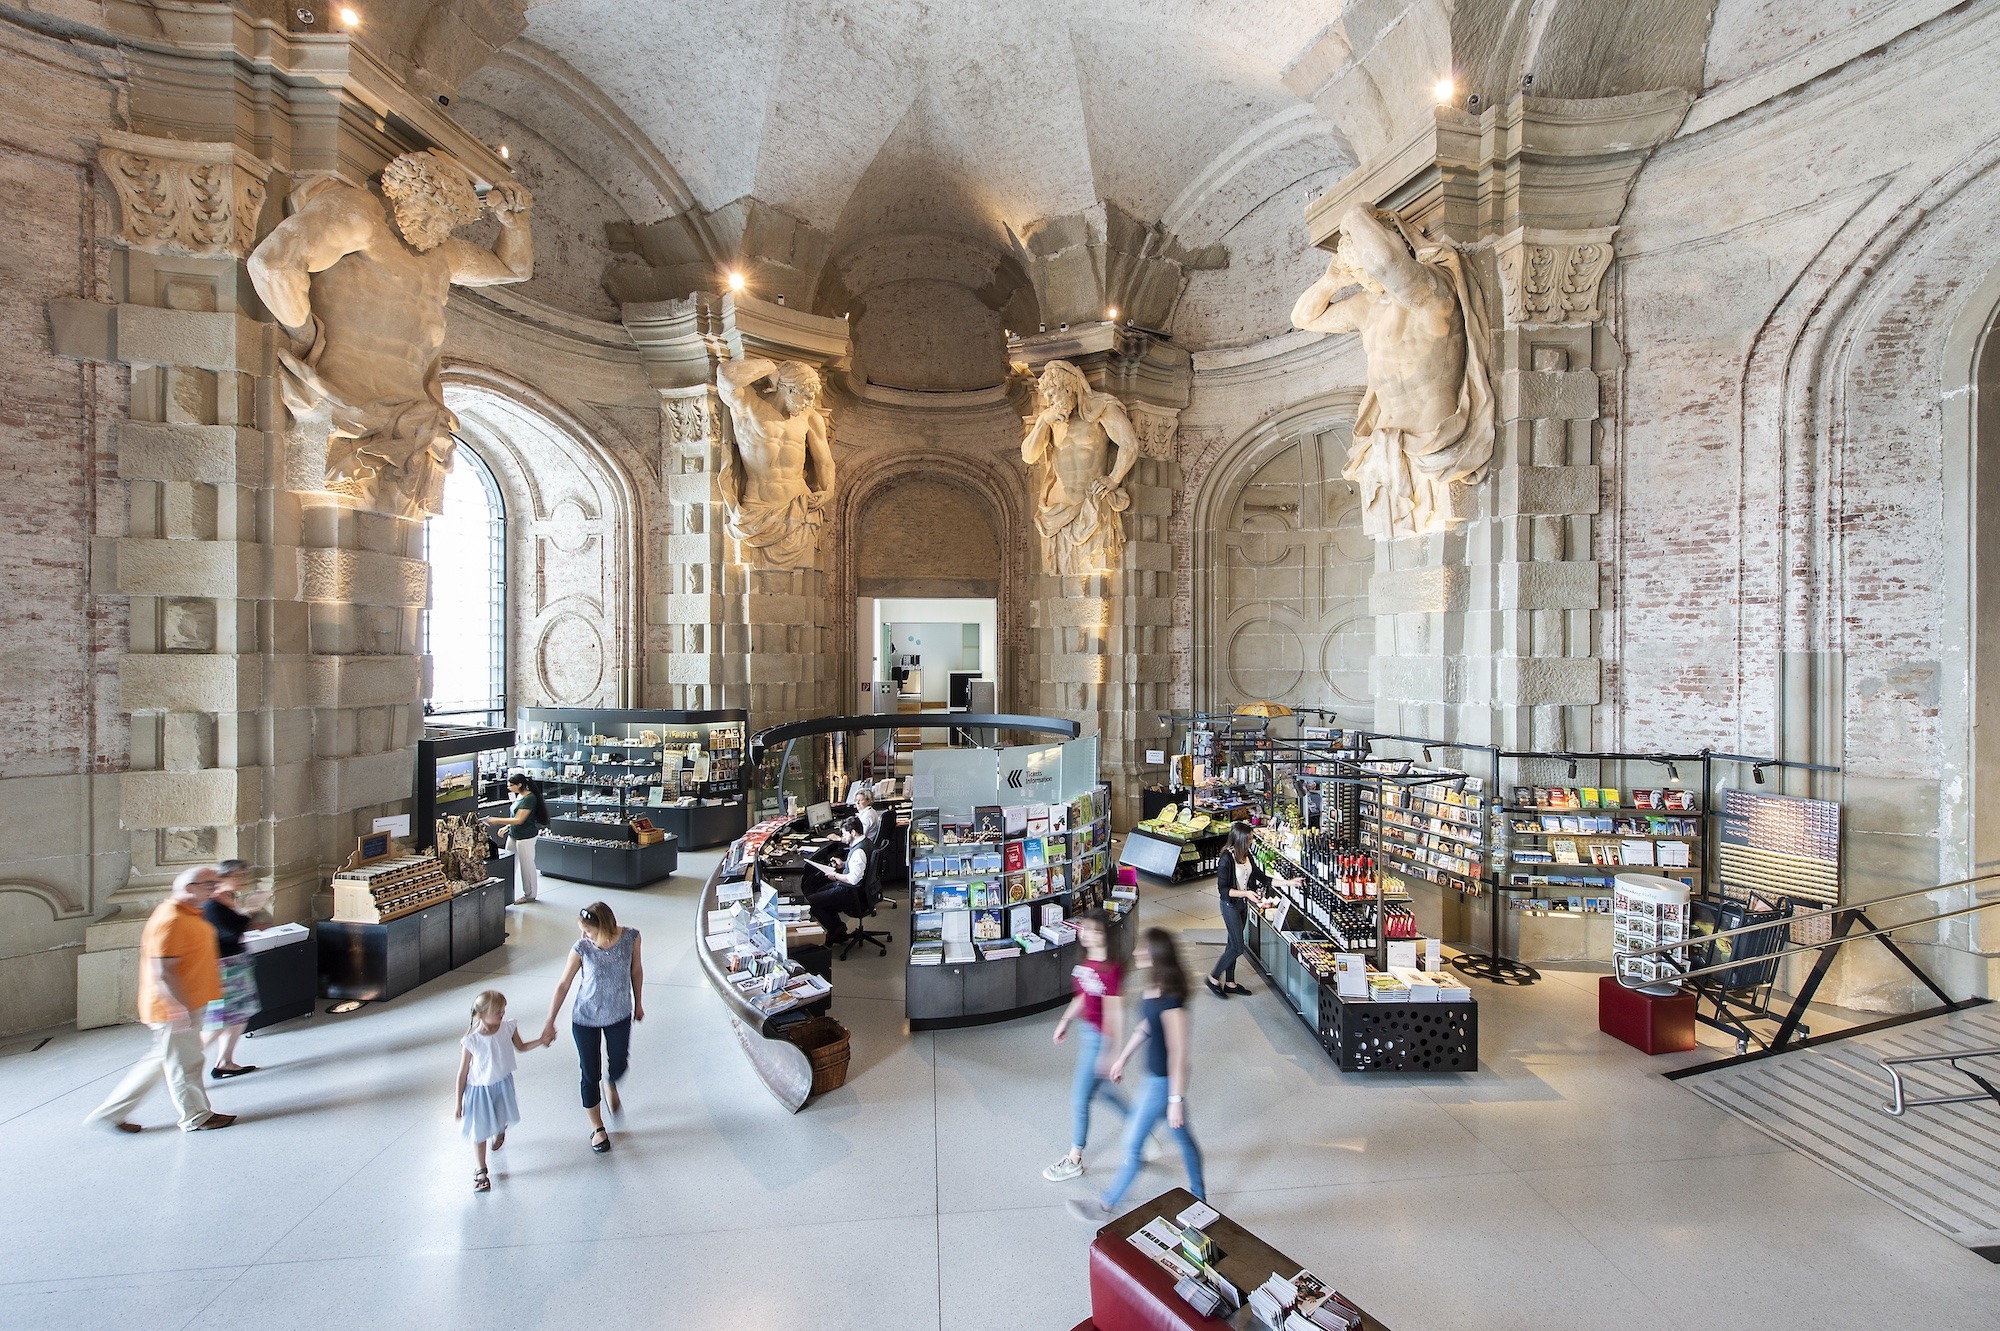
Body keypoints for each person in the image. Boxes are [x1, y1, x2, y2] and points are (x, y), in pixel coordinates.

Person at [1068, 928, 1205, 1223]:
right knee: (1184, 1140)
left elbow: (1178, 1054)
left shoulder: (1173, 1000)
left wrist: (1176, 1100)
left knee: (1133, 1142)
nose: (1136, 952)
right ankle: (1200, 1196)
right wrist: (1123, 1058)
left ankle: (1106, 1205)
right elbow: (1145, 1026)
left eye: (1143, 949)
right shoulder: (1153, 986)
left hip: (1163, 1083)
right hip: (1153, 1078)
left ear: (1157, 955)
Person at [86, 867, 237, 1133]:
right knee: (186, 1063)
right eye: (209, 884)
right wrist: (177, 1007)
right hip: (176, 1006)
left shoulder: (190, 913)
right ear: (189, 887)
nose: (214, 889)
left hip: (189, 1002)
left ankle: (111, 1112)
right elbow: (163, 971)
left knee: (162, 1060)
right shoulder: (171, 919)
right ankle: (196, 1116)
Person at [540, 902, 644, 1155]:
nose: (583, 935)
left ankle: (611, 1083)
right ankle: (597, 1127)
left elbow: (636, 970)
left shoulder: (631, 938)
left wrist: (639, 1003)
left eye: (588, 931)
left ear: (604, 927)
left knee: (619, 1063)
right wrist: (550, 1021)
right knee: (589, 1073)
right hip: (585, 1018)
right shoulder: (581, 948)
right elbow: (564, 984)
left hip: (619, 1014)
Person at [1042, 909, 1129, 1182]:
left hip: (1100, 1040)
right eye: (1085, 930)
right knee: (1101, 1092)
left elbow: (1115, 1013)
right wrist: (1065, 1021)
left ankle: (1074, 1159)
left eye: (1094, 931)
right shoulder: (1086, 963)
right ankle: (1139, 1126)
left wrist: (1113, 1054)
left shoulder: (1111, 970)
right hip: (1087, 1033)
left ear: (1105, 936)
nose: (1087, 935)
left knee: (1080, 1097)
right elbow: (1081, 996)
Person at [455, 990, 547, 1193]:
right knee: (479, 1130)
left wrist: (541, 1040)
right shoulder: (472, 1040)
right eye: (497, 1011)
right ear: (481, 1015)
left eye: (503, 1010)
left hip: (502, 1084)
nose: (502, 1014)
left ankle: (499, 1129)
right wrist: (458, 1102)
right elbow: (462, 1073)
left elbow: (521, 1047)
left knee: (500, 1116)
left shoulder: (508, 1027)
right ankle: (481, 1170)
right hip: (478, 1090)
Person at [1208, 822, 1301, 999]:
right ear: (1240, 839)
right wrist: (1246, 893)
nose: (1252, 841)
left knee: (1232, 944)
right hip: (1229, 906)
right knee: (1238, 947)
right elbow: (1223, 890)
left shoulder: (1247, 855)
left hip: (1242, 905)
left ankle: (1230, 983)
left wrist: (1289, 882)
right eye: (1249, 839)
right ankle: (1213, 978)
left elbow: (1262, 877)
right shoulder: (1226, 859)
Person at [203, 860, 264, 1079]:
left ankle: (225, 1062)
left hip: (237, 961)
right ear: (222, 877)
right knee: (221, 1019)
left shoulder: (228, 898)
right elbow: (230, 932)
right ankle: (187, 1060)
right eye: (237, 876)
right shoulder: (212, 904)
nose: (242, 880)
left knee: (239, 1015)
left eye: (244, 875)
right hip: (224, 966)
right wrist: (253, 910)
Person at [803, 817, 869, 945]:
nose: (843, 837)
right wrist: (843, 864)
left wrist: (835, 875)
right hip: (857, 889)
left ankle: (836, 930)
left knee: (812, 901)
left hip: (851, 891)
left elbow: (853, 880)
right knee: (819, 891)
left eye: (844, 834)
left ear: (853, 833)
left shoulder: (858, 851)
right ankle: (838, 929)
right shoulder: (865, 843)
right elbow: (859, 867)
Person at [485, 772, 547, 903]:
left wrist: (496, 820)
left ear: (519, 785)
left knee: (527, 866)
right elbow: (516, 816)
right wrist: (507, 826)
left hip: (526, 836)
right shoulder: (520, 796)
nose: (508, 787)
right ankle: (505, 892)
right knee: (509, 862)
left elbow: (519, 819)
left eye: (511, 785)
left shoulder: (530, 798)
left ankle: (530, 894)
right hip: (514, 834)